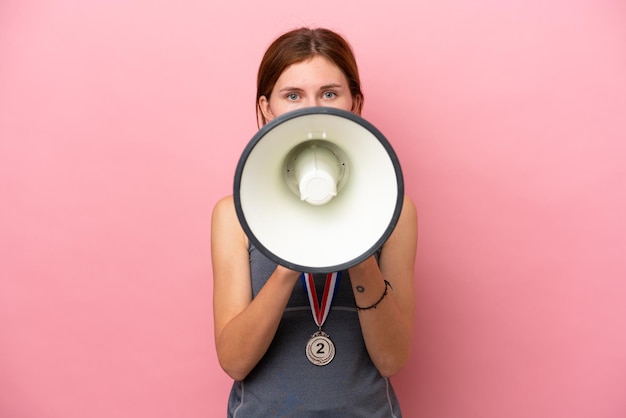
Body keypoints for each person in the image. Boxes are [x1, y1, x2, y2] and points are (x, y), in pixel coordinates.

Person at [211, 27, 418, 417]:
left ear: (355, 103)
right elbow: (235, 361)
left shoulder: (396, 212)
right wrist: (291, 253)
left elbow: (392, 359)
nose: (313, 108)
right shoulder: (232, 217)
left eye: (329, 93)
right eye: (293, 96)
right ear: (267, 106)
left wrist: (356, 241)